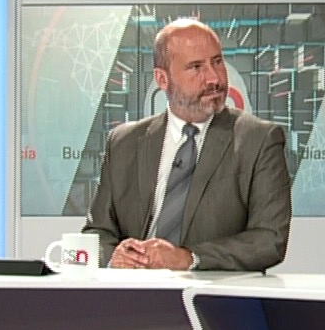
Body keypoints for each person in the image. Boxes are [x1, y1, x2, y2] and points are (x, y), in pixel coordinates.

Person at [83, 18, 292, 271]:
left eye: (217, 62)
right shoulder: (123, 142)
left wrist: (188, 258)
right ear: (162, 79)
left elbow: (269, 240)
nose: (214, 78)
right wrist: (114, 257)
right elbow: (97, 232)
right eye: (196, 67)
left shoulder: (259, 140)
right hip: (135, 287)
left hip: (210, 290)